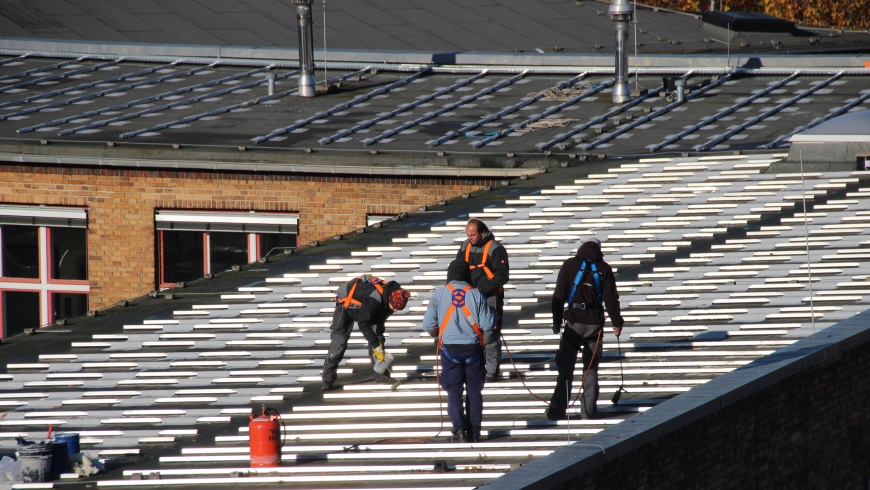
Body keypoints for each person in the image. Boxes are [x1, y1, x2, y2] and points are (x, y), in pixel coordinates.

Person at [547, 237, 624, 421]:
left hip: (574, 323)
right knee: (590, 370)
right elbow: (611, 300)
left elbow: (558, 295)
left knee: (565, 368)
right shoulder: (604, 268)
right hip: (594, 327)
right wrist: (617, 323)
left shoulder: (569, 265)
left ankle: (556, 410)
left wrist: (557, 322)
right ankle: (588, 413)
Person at [422, 259, 496, 443]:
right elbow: (488, 324)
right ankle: (475, 432)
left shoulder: (439, 295)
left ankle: (460, 431)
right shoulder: (476, 295)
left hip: (450, 351)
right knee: (474, 392)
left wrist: (438, 332)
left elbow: (428, 325)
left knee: (454, 392)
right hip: (473, 350)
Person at [321, 274, 411, 390]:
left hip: (366, 307)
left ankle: (381, 375)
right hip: (346, 304)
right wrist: (375, 345)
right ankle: (328, 380)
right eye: (394, 308)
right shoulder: (374, 299)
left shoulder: (392, 299)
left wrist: (378, 343)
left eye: (398, 309)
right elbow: (363, 324)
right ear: (390, 300)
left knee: (378, 339)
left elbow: (378, 324)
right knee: (339, 343)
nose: (395, 311)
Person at [456, 218, 509, 383]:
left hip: (490, 297)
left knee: (490, 334)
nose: (469, 238)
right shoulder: (465, 246)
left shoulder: (495, 248)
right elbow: (457, 269)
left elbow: (502, 276)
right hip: (469, 296)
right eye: (468, 235)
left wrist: (482, 289)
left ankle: (491, 371)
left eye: (473, 235)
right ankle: (476, 368)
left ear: (482, 232)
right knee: (471, 332)